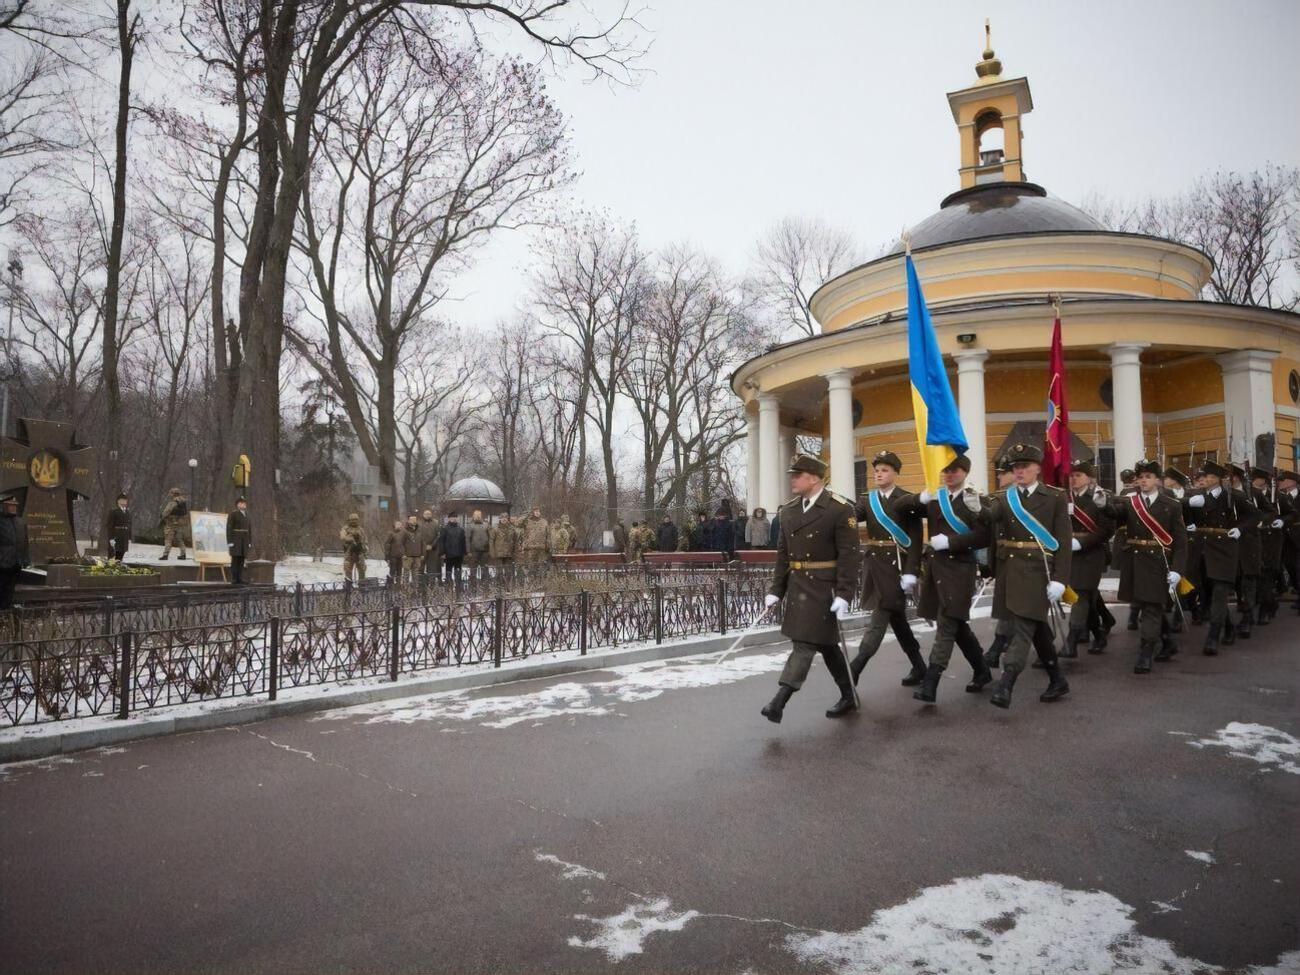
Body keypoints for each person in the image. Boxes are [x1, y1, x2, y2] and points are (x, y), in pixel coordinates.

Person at [759, 454, 860, 723]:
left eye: (798, 475)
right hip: (798, 587)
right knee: (826, 645)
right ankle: (849, 694)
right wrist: (776, 590)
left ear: (814, 478)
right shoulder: (789, 511)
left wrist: (845, 594)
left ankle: (779, 702)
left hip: (824, 589)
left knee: (804, 644)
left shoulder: (839, 509)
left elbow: (849, 556)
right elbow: (783, 556)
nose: (792, 479)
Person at [978, 443, 1071, 709]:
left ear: (1037, 468)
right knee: (1036, 626)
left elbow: (1063, 541)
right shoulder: (1004, 498)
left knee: (1022, 628)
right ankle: (1057, 679)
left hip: (1038, 571)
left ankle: (1006, 684)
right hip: (1010, 571)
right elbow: (990, 517)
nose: (1019, 471)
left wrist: (1060, 579)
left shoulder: (1054, 497)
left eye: (1024, 466)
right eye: (1015, 467)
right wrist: (976, 508)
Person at [902, 454, 994, 703]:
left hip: (960, 570)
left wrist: (952, 542)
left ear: (965, 472)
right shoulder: (936, 499)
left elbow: (985, 536)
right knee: (956, 624)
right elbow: (900, 508)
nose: (949, 474)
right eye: (946, 470)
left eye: (954, 470)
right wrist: (919, 498)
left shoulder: (975, 499)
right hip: (937, 570)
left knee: (946, 625)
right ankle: (982, 670)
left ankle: (930, 684)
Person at [848, 450, 927, 688]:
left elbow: (915, 539)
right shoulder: (867, 500)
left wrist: (911, 571)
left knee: (881, 615)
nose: (879, 474)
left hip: (897, 568)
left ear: (895, 473)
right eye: (876, 471)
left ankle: (854, 669)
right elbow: (850, 519)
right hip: (875, 567)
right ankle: (920, 667)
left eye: (884, 470)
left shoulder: (907, 499)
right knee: (897, 620)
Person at [1101, 459, 1187, 672]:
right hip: (1135, 562)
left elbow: (1180, 542)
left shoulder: (1172, 505)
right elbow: (1114, 513)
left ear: (1157, 480)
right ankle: (1168, 642)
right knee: (1150, 604)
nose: (1143, 480)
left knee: (1151, 607)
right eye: (1140, 477)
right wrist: (1102, 504)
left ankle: (1146, 652)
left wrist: (1177, 570)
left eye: (1148, 477)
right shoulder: (1131, 503)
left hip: (1158, 563)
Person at [1183, 460, 1258, 653]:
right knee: (1208, 593)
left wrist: (1240, 529)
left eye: (1211, 476)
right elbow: (1178, 510)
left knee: (1220, 592)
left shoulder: (1234, 497)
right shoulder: (1196, 496)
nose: (1206, 479)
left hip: (1224, 548)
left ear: (1219, 479)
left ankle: (1213, 635)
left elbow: (1254, 516)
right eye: (1205, 476)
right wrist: (1188, 506)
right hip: (1202, 548)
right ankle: (1229, 627)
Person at [1063, 461, 1114, 657]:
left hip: (1091, 554)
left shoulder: (1100, 497)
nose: (1074, 479)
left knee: (1081, 595)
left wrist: (1082, 543)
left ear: (1089, 478)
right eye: (1071, 475)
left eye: (1078, 475)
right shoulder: (1064, 498)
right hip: (1070, 554)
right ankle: (1099, 634)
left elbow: (1107, 529)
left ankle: (1071, 641)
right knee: (1087, 597)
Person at [1251, 468, 1285, 625]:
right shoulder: (1249, 495)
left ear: (1264, 481)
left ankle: (1264, 610)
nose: (1253, 482)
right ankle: (1270, 603)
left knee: (1267, 575)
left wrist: (1282, 520)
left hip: (1272, 540)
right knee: (1257, 576)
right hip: (1254, 540)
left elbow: (1291, 513)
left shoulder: (1277, 496)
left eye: (1256, 479)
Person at [0, 493, 30, 610]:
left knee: (9, 590)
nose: (13, 508)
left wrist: (26, 559)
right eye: (10, 505)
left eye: (15, 505)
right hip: (2, 564)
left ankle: (5, 612)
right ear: (3, 506)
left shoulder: (20, 522)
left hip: (16, 563)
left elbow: (25, 542)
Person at [159, 487, 189, 560]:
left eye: (171, 493)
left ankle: (165, 555)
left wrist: (162, 517)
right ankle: (183, 554)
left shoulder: (173, 502)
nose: (170, 494)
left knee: (168, 539)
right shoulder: (183, 502)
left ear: (173, 494)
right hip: (180, 524)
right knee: (179, 539)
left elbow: (166, 512)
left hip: (170, 523)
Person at [226, 496, 251, 584]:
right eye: (240, 503)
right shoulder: (233, 514)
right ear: (237, 505)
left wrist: (249, 541)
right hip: (236, 540)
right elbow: (229, 528)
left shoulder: (247, 514)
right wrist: (230, 541)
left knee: (241, 560)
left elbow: (249, 529)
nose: (242, 505)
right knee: (235, 560)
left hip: (244, 541)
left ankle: (240, 578)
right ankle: (234, 578)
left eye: (244, 503)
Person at [339, 514, 367, 582]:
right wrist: (351, 538)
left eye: (356, 519)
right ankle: (348, 586)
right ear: (349, 520)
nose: (354, 521)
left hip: (359, 552)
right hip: (349, 552)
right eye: (352, 520)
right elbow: (342, 537)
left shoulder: (360, 529)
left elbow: (365, 539)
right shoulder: (345, 528)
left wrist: (365, 547)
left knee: (362, 569)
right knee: (348, 569)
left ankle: (362, 585)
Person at [105, 493, 132, 561]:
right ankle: (112, 565)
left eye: (125, 500)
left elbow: (129, 525)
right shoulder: (114, 511)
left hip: (124, 536)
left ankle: (119, 564)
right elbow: (110, 526)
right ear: (118, 501)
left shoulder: (127, 512)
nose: (124, 502)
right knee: (113, 555)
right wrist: (111, 538)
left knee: (121, 554)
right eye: (122, 500)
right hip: (116, 535)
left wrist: (129, 537)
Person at [440, 514, 467, 583]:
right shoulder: (444, 529)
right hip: (449, 554)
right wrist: (442, 553)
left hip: (459, 554)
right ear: (449, 519)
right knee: (448, 571)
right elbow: (442, 541)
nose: (454, 519)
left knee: (458, 571)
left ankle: (458, 585)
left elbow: (463, 541)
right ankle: (448, 585)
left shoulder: (461, 529)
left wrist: (464, 552)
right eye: (452, 517)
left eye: (455, 517)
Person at [490, 514, 518, 578]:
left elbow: (515, 541)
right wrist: (492, 553)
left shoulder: (512, 528)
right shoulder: (495, 528)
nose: (504, 519)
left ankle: (508, 584)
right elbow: (491, 541)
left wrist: (515, 551)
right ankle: (499, 584)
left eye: (505, 518)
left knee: (508, 572)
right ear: (500, 519)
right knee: (499, 572)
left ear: (507, 519)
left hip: (509, 553)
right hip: (498, 553)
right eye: (502, 518)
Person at [467, 510, 492, 582]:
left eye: (479, 515)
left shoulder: (486, 525)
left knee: (485, 569)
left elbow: (490, 537)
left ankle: (485, 584)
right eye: (476, 515)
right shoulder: (470, 525)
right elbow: (467, 539)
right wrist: (468, 551)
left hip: (485, 550)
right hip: (474, 551)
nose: (477, 516)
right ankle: (473, 584)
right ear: (473, 516)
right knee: (473, 569)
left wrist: (490, 549)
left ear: (481, 516)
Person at [418, 509, 441, 580]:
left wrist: (432, 545)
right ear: (423, 515)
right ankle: (420, 583)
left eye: (429, 514)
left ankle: (431, 583)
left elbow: (438, 535)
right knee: (420, 566)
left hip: (433, 549)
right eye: (426, 514)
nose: (427, 515)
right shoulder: (419, 523)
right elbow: (417, 535)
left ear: (431, 515)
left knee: (432, 567)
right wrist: (425, 545)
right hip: (421, 548)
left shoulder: (436, 523)